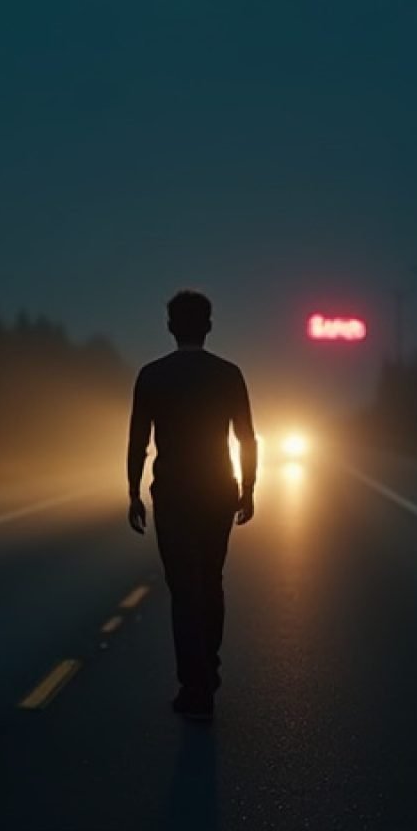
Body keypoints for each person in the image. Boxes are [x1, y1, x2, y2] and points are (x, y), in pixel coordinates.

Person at [126, 289, 258, 721]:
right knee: (211, 580)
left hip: (173, 494)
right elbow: (246, 437)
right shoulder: (229, 373)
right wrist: (249, 488)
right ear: (209, 325)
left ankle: (194, 684)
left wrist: (133, 492)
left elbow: (138, 443)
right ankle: (209, 667)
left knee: (184, 590)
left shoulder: (151, 375)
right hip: (218, 490)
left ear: (169, 326)